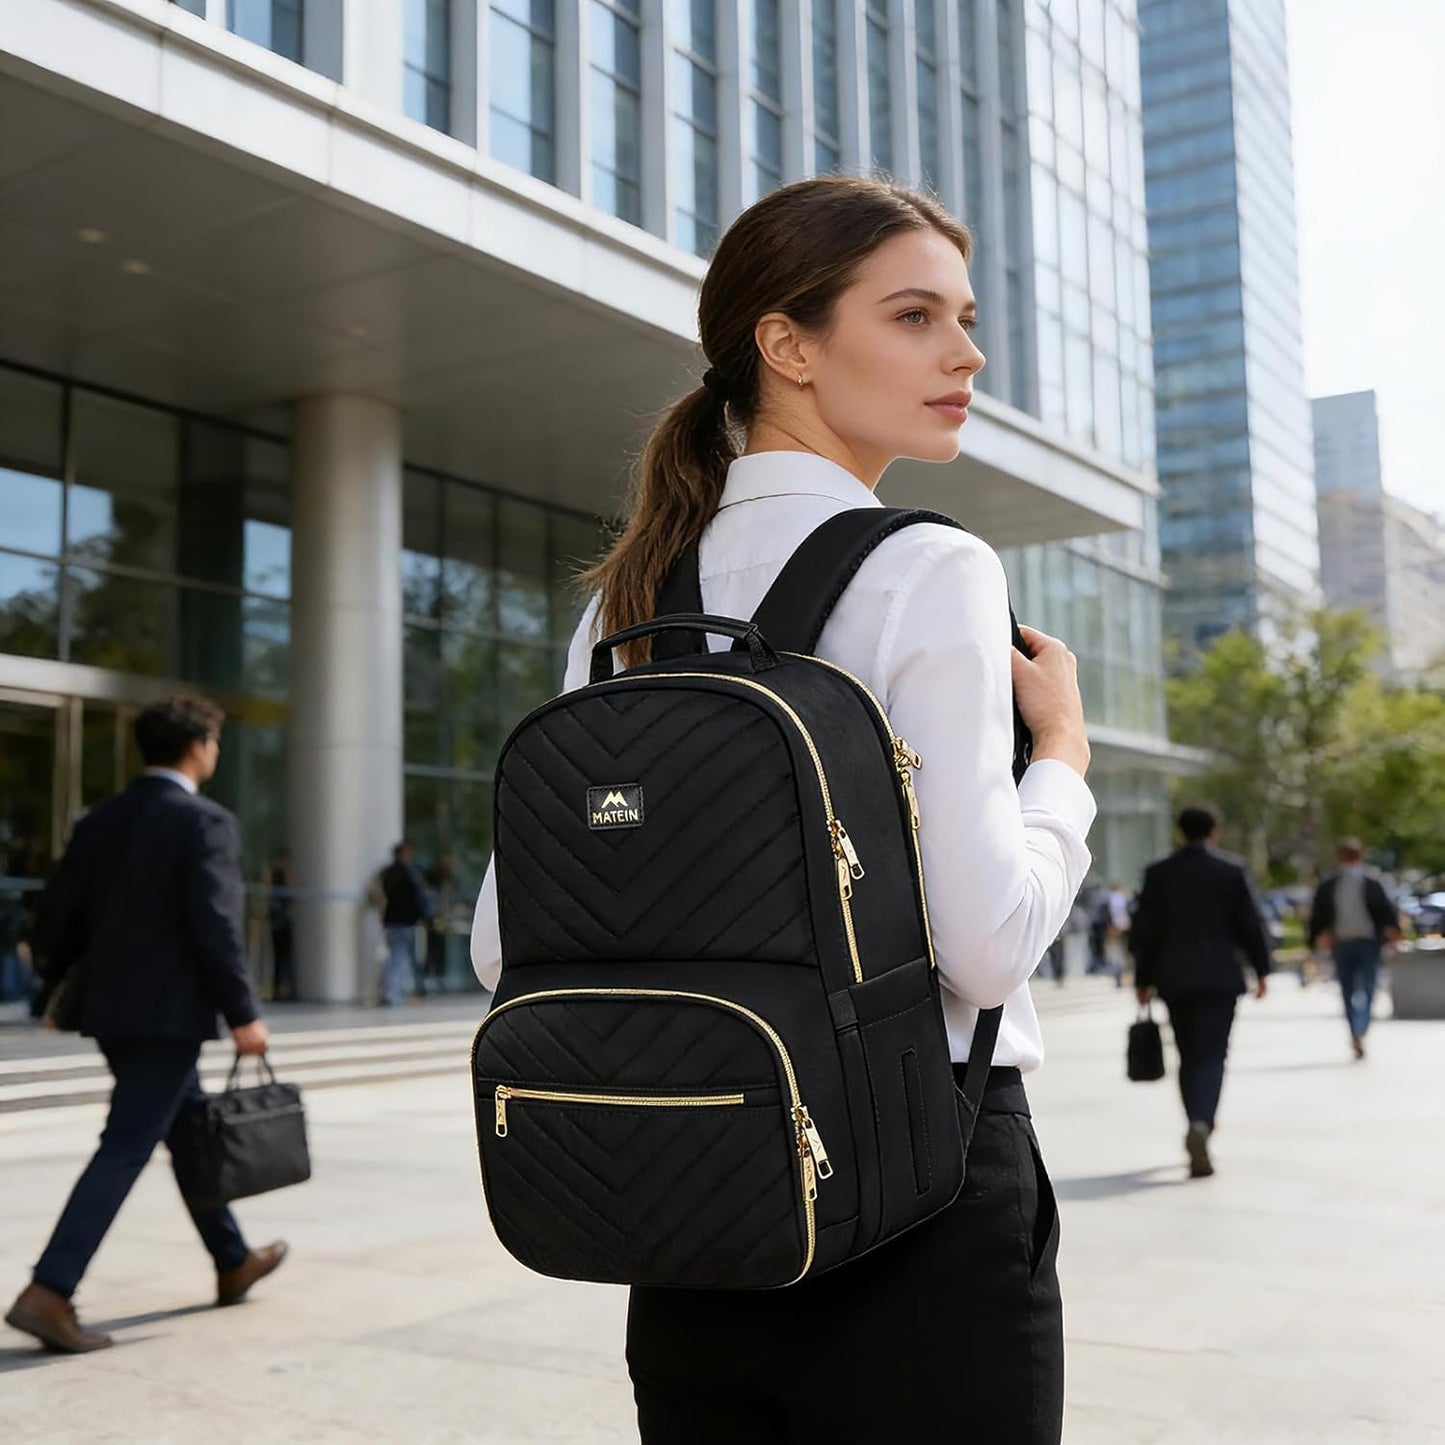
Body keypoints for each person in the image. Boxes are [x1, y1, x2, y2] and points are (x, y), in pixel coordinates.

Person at [471, 176, 1095, 1444]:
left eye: (963, 318)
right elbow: (983, 946)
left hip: (693, 1202)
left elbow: (501, 949)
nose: (965, 353)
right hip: (922, 1190)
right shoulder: (930, 565)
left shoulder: (626, 601)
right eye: (914, 316)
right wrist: (1064, 765)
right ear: (786, 343)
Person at [5, 695, 287, 1355]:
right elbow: (215, 926)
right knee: (127, 1142)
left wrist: (54, 988)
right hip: (169, 1014)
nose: (215, 752)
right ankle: (50, 1287)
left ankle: (231, 1258)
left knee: (188, 1131)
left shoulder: (102, 818)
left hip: (109, 1009)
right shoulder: (204, 821)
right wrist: (244, 1012)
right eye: (214, 741)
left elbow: (57, 916)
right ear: (197, 747)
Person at [1130, 805, 1271, 1179]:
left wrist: (1141, 981)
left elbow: (1144, 933)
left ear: (1179, 831)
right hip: (1221, 978)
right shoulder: (1230, 871)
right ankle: (1203, 1123)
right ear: (1215, 831)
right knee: (1213, 1055)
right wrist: (1262, 970)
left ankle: (1195, 1118)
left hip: (1174, 978)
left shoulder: (1159, 874)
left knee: (1188, 1053)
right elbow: (1250, 925)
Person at [1308, 837, 1401, 1059]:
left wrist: (1392, 931)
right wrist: (1316, 939)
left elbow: (1385, 913)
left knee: (1367, 988)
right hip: (1342, 944)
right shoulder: (1331, 886)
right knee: (1349, 989)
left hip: (1368, 943)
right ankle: (1356, 1030)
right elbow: (1319, 916)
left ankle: (1360, 1028)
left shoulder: (1371, 884)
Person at [378, 841, 432, 1006]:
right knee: (400, 957)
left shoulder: (387, 873)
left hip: (392, 920)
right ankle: (394, 993)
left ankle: (393, 991)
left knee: (396, 957)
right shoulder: (408, 873)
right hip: (405, 920)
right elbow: (415, 897)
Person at [421, 854, 456, 995]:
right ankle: (431, 977)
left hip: (442, 919)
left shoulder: (448, 880)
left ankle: (438, 977)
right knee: (432, 949)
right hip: (433, 919)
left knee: (440, 949)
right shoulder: (433, 882)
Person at [268, 851, 296, 1002]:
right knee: (281, 958)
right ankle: (280, 990)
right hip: (280, 922)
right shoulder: (277, 876)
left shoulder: (283, 876)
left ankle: (285, 989)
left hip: (283, 922)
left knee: (285, 958)